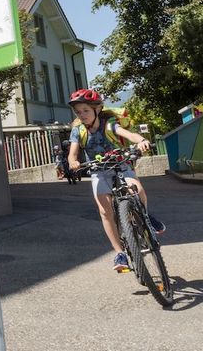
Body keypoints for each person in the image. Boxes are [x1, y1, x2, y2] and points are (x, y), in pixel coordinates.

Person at [66, 88, 166, 272]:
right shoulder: (78, 131)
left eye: (85, 111)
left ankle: (146, 216)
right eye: (78, 112)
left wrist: (141, 141)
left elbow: (129, 135)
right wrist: (73, 163)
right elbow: (72, 154)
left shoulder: (109, 124)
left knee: (136, 188)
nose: (82, 115)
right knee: (105, 211)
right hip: (98, 171)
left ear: (97, 109)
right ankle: (119, 253)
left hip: (121, 165)